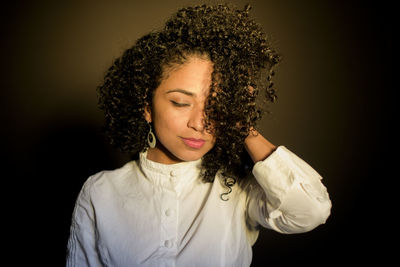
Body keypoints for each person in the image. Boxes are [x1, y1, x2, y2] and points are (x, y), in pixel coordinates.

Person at [66, 3, 331, 267]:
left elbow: (311, 211)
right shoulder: (100, 192)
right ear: (147, 107)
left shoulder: (235, 187)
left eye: (216, 106)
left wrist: (243, 126)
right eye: (181, 102)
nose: (200, 123)